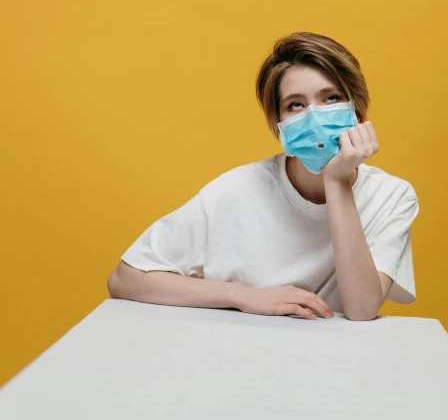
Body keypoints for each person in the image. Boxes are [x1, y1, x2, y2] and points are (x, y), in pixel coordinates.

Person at [108, 32, 419, 321]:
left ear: (357, 108)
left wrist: (336, 179)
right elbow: (125, 278)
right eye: (295, 104)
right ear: (278, 125)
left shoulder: (392, 197)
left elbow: (361, 309)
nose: (313, 115)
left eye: (331, 98)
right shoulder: (235, 190)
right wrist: (244, 296)